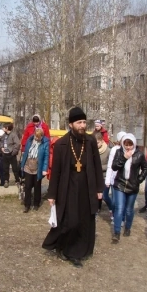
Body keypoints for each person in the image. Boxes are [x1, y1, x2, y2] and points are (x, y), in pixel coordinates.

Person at [42, 107, 105, 268]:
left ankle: (77, 251)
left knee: (84, 220)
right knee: (70, 221)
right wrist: (52, 194)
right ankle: (65, 248)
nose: (83, 125)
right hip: (68, 185)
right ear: (71, 124)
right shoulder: (62, 143)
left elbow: (97, 166)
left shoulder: (90, 141)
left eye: (84, 122)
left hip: (86, 184)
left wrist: (99, 188)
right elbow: (55, 171)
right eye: (79, 122)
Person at [111, 133, 147, 241]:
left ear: (134, 144)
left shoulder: (139, 154)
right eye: (126, 144)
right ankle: (116, 232)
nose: (128, 147)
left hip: (133, 186)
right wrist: (124, 158)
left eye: (130, 145)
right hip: (120, 184)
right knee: (119, 208)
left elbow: (145, 169)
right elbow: (114, 167)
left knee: (128, 210)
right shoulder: (119, 152)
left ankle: (128, 228)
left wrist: (139, 179)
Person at [20, 128, 49, 213]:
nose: (36, 138)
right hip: (28, 166)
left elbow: (46, 157)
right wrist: (22, 165)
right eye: (35, 136)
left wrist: (44, 169)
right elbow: (25, 153)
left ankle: (36, 203)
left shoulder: (45, 143)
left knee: (37, 186)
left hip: (38, 167)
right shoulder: (30, 140)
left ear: (42, 136)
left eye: (38, 137)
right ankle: (27, 205)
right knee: (28, 186)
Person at [104, 131, 127, 222]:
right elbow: (110, 165)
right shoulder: (115, 150)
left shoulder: (129, 149)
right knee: (115, 201)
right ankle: (114, 214)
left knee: (123, 201)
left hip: (125, 179)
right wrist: (108, 180)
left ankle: (121, 218)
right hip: (115, 179)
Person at [2, 122, 21, 188]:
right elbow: (1, 142)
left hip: (11, 155)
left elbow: (17, 144)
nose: (2, 128)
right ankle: (6, 181)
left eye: (4, 127)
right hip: (5, 154)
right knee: (5, 169)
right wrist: (2, 148)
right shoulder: (4, 135)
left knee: (15, 169)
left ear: (7, 128)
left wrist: (13, 152)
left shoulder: (13, 135)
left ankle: (17, 180)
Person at [95, 132, 110, 214]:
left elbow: (110, 165)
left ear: (102, 141)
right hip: (94, 176)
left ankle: (111, 208)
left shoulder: (108, 151)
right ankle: (97, 208)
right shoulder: (93, 150)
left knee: (104, 195)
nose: (96, 144)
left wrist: (99, 167)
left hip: (104, 176)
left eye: (97, 143)